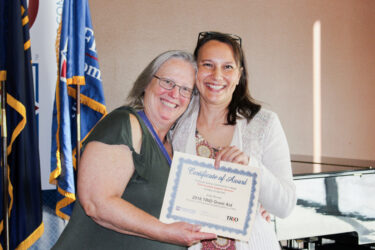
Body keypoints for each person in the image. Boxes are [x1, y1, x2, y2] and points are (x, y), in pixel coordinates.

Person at [52, 50, 217, 250]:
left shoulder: (175, 146)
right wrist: (165, 232)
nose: (175, 94)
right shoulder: (124, 124)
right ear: (146, 83)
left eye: (185, 89)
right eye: (167, 82)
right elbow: (97, 203)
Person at [172, 32, 296, 249]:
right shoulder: (175, 121)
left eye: (227, 67)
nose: (217, 75)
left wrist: (252, 168)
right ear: (195, 71)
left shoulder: (264, 124)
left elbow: (285, 205)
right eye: (208, 65)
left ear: (239, 75)